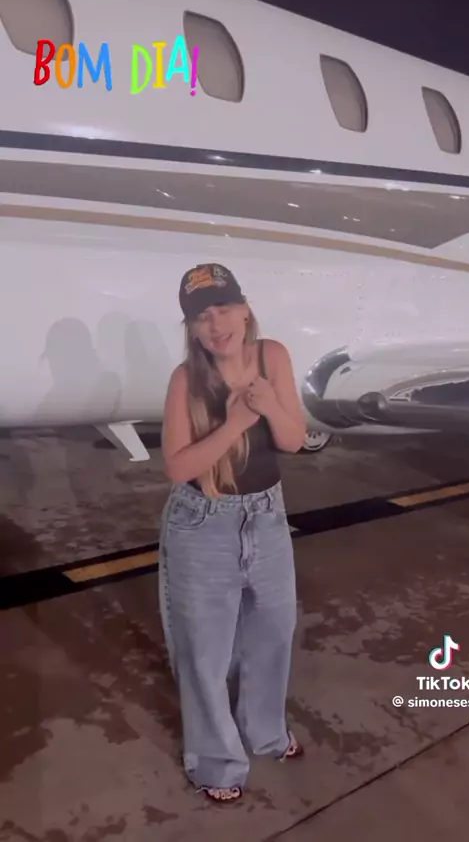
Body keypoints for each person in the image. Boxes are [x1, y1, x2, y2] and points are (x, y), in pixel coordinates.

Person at [159, 263, 306, 804]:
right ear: (192, 328)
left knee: (274, 630)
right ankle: (217, 763)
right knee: (205, 652)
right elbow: (178, 467)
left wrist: (268, 407)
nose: (216, 324)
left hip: (267, 517)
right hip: (203, 523)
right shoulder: (186, 380)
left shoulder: (273, 357)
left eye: (223, 308)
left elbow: (293, 440)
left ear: (244, 310)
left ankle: (265, 731)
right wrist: (236, 424)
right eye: (202, 316)